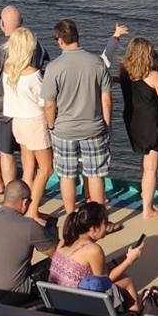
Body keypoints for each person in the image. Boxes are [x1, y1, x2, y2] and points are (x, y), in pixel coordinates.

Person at [42, 18, 114, 219]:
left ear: (60, 40)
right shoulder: (97, 63)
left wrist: (51, 125)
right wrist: (106, 124)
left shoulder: (54, 67)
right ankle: (99, 218)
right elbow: (106, 99)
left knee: (66, 175)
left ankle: (72, 216)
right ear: (77, 36)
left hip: (64, 129)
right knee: (95, 173)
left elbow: (49, 104)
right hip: (93, 127)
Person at [0, 3, 42, 192]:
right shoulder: (35, 46)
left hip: (3, 109)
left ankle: (9, 193)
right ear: (21, 23)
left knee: (6, 153)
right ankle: (28, 192)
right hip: (30, 110)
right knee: (28, 155)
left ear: (2, 23)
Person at [0, 180, 57, 304]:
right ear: (25, 202)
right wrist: (51, 229)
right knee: (57, 263)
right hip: (10, 296)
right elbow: (57, 253)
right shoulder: (29, 226)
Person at [110, 27, 158, 218]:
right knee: (152, 166)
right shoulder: (154, 76)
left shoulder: (125, 72)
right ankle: (147, 208)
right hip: (151, 122)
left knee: (145, 161)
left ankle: (145, 197)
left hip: (132, 120)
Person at [50, 201, 141, 310]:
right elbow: (105, 282)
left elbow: (95, 271)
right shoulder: (93, 250)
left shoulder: (65, 240)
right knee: (127, 281)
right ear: (94, 228)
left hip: (58, 298)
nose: (108, 225)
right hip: (78, 304)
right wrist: (129, 260)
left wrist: (124, 257)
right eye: (105, 223)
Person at [1, 27, 51, 218]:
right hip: (35, 122)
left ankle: (23, 206)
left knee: (28, 168)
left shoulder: (8, 70)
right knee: (46, 168)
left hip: (18, 121)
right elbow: (44, 101)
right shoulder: (33, 74)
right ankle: (33, 209)